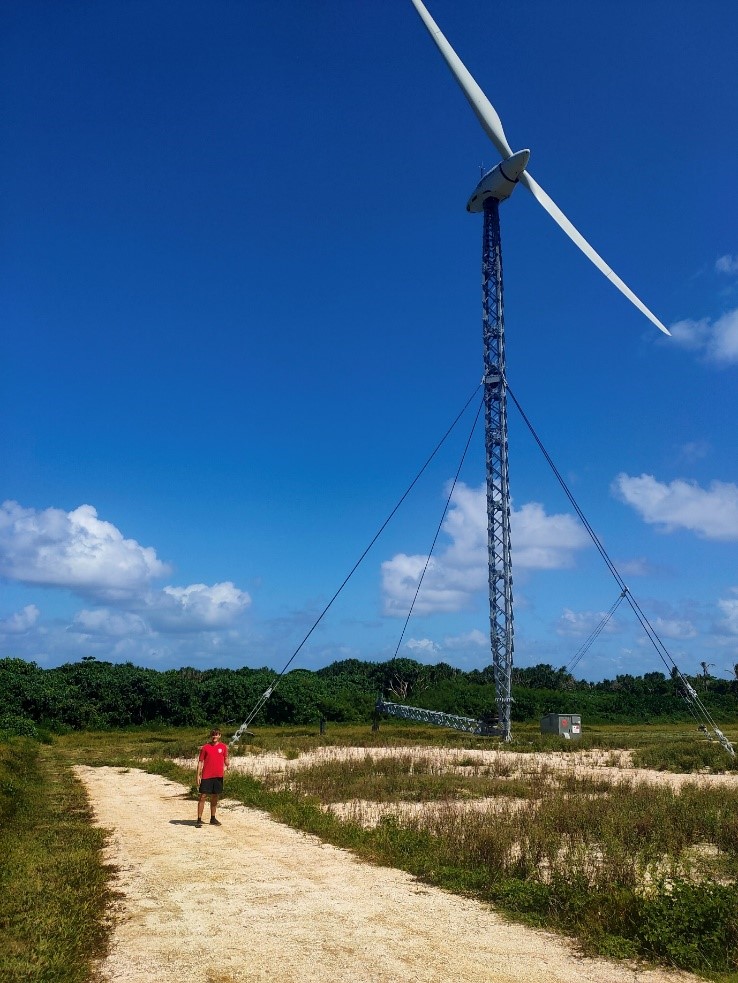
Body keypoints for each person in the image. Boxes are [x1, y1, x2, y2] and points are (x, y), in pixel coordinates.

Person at [196, 728, 229, 827]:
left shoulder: (223, 747)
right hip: (207, 775)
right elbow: (201, 761)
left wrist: (227, 763)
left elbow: (226, 759)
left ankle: (213, 818)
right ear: (211, 736)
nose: (214, 736)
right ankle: (199, 819)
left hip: (218, 775)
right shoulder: (205, 747)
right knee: (203, 796)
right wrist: (198, 775)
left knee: (215, 796)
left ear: (220, 736)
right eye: (213, 735)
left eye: (216, 734)